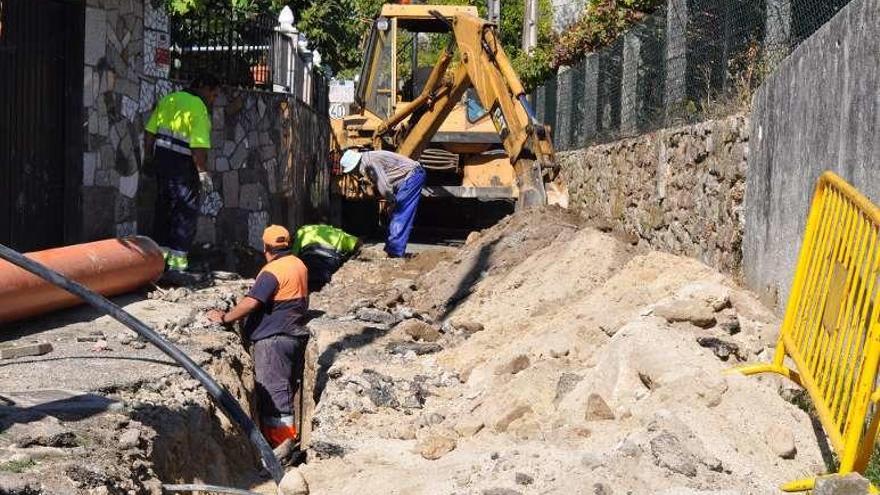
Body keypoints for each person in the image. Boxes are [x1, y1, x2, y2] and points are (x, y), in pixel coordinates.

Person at [206, 225, 309, 451]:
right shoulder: (297, 264)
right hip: (292, 337)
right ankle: (286, 441)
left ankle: (281, 447)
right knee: (284, 390)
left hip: (272, 341)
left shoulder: (273, 271)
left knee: (274, 393)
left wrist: (225, 318)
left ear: (266, 247)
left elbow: (252, 302)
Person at [143, 74, 221, 272]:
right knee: (185, 211)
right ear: (202, 86)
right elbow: (199, 146)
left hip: (162, 162)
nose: (213, 100)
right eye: (213, 95)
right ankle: (178, 264)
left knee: (163, 208)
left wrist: (148, 158)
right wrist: (202, 172)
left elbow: (150, 132)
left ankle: (159, 260)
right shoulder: (197, 107)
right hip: (183, 166)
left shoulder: (169, 99)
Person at [339, 149, 426, 258]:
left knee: (400, 213)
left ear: (356, 165)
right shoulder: (368, 159)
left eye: (353, 171)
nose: (355, 174)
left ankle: (395, 251)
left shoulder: (370, 163)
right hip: (409, 177)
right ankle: (392, 249)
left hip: (412, 176)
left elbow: (384, 185)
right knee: (397, 212)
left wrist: (391, 202)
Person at [292, 223, 361, 292]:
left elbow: (294, 255)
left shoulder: (303, 230)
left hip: (309, 260)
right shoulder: (335, 232)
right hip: (329, 261)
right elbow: (358, 243)